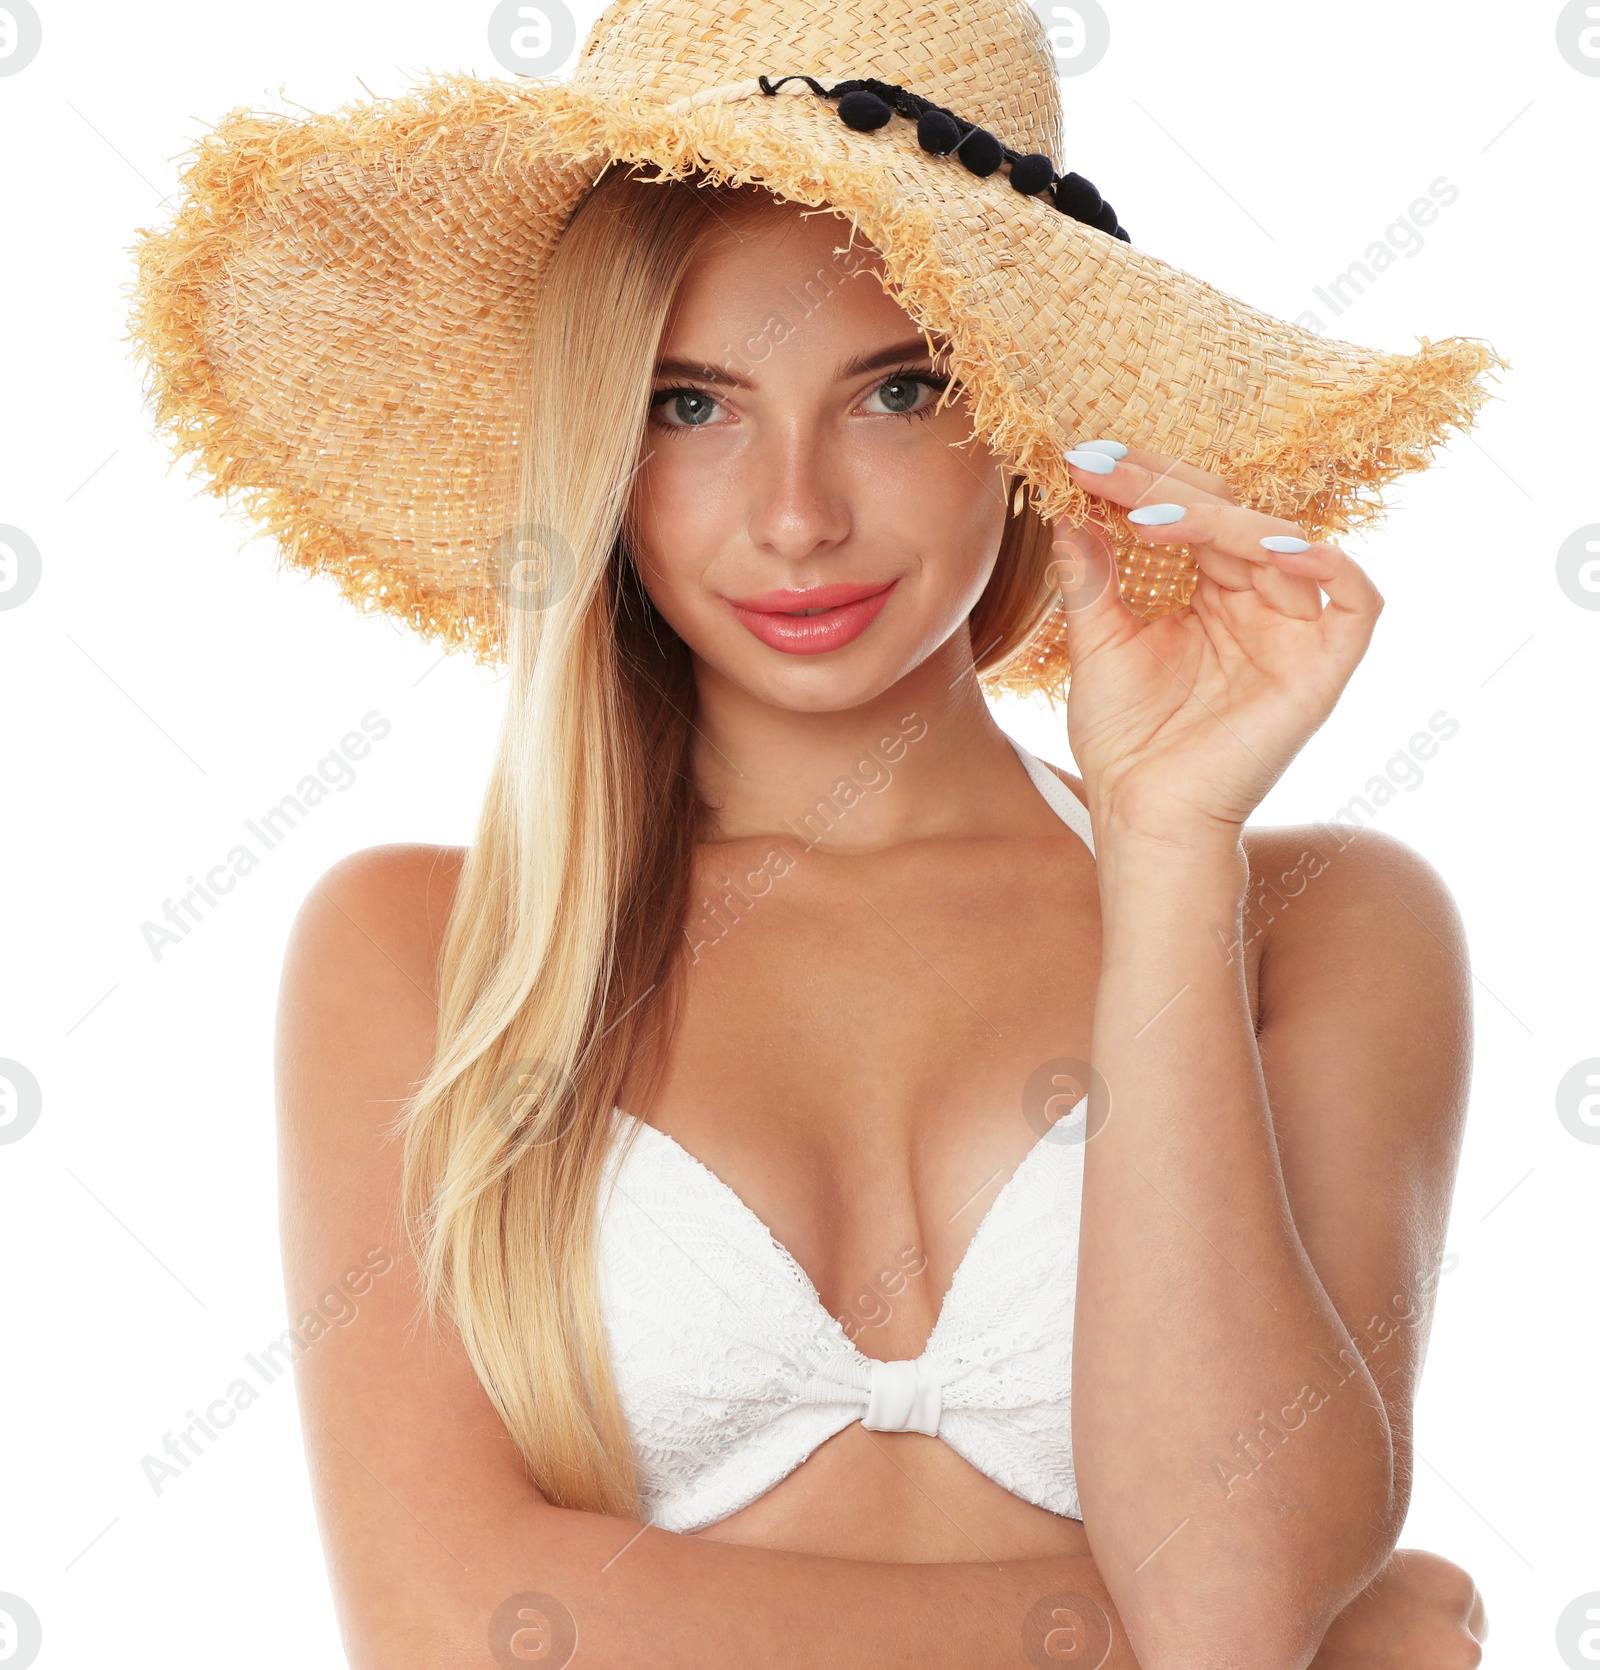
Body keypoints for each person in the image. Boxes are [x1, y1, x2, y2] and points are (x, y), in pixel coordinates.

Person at [129, 7, 1501, 1664]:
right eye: (693, 407)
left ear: (1019, 407)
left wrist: (1165, 849)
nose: (796, 514)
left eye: (897, 388)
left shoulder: (1318, 923)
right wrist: (1351, 1645)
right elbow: (452, 1625)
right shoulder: (422, 953)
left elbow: (1230, 1593)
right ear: (602, 446)